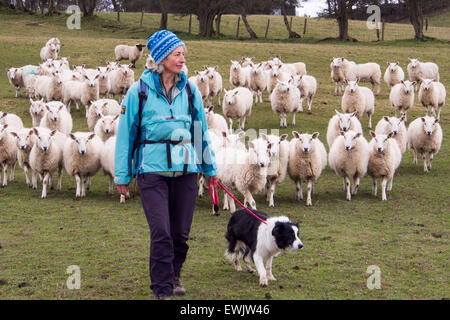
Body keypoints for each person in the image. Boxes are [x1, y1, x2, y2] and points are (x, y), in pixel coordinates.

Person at [114, 30, 218, 300]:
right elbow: (126, 135)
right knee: (161, 232)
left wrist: (209, 169)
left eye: (183, 54)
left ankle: (174, 274)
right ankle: (162, 289)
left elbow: (200, 132)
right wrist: (122, 175)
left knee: (180, 234)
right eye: (176, 54)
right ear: (161, 58)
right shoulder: (139, 92)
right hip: (152, 172)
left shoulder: (191, 90)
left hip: (186, 170)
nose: (182, 59)